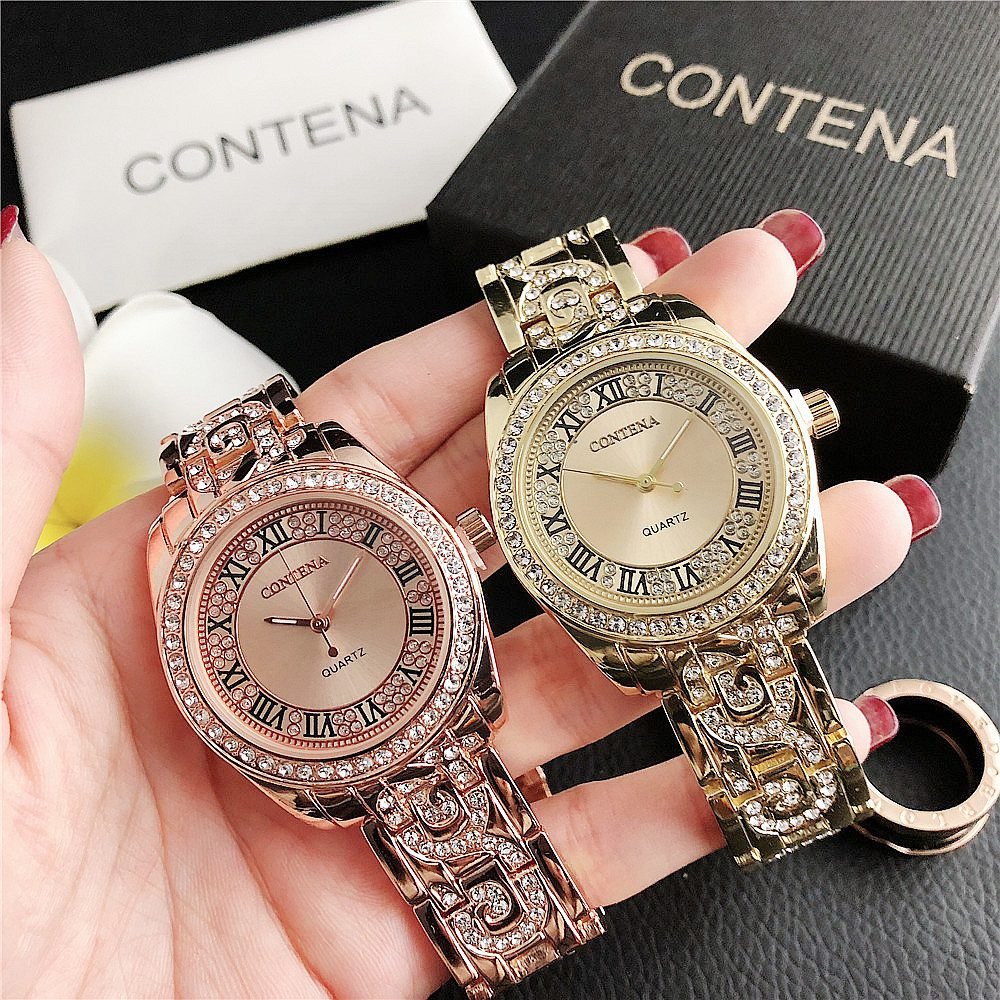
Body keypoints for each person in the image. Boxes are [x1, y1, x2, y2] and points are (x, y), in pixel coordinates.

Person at [2, 208, 924, 998]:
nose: (317, 618)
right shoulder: (207, 624)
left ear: (464, 545)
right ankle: (522, 923)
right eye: (301, 618)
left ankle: (772, 792)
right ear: (471, 543)